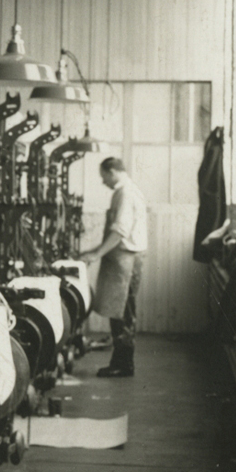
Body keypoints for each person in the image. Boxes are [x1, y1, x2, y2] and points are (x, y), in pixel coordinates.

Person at [78, 156, 147, 377]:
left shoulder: (125, 193)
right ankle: (121, 362)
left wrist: (96, 254)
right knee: (121, 313)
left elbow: (119, 231)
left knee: (122, 315)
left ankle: (123, 365)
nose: (103, 182)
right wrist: (93, 251)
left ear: (112, 171)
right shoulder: (128, 190)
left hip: (125, 259)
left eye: (103, 177)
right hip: (124, 258)